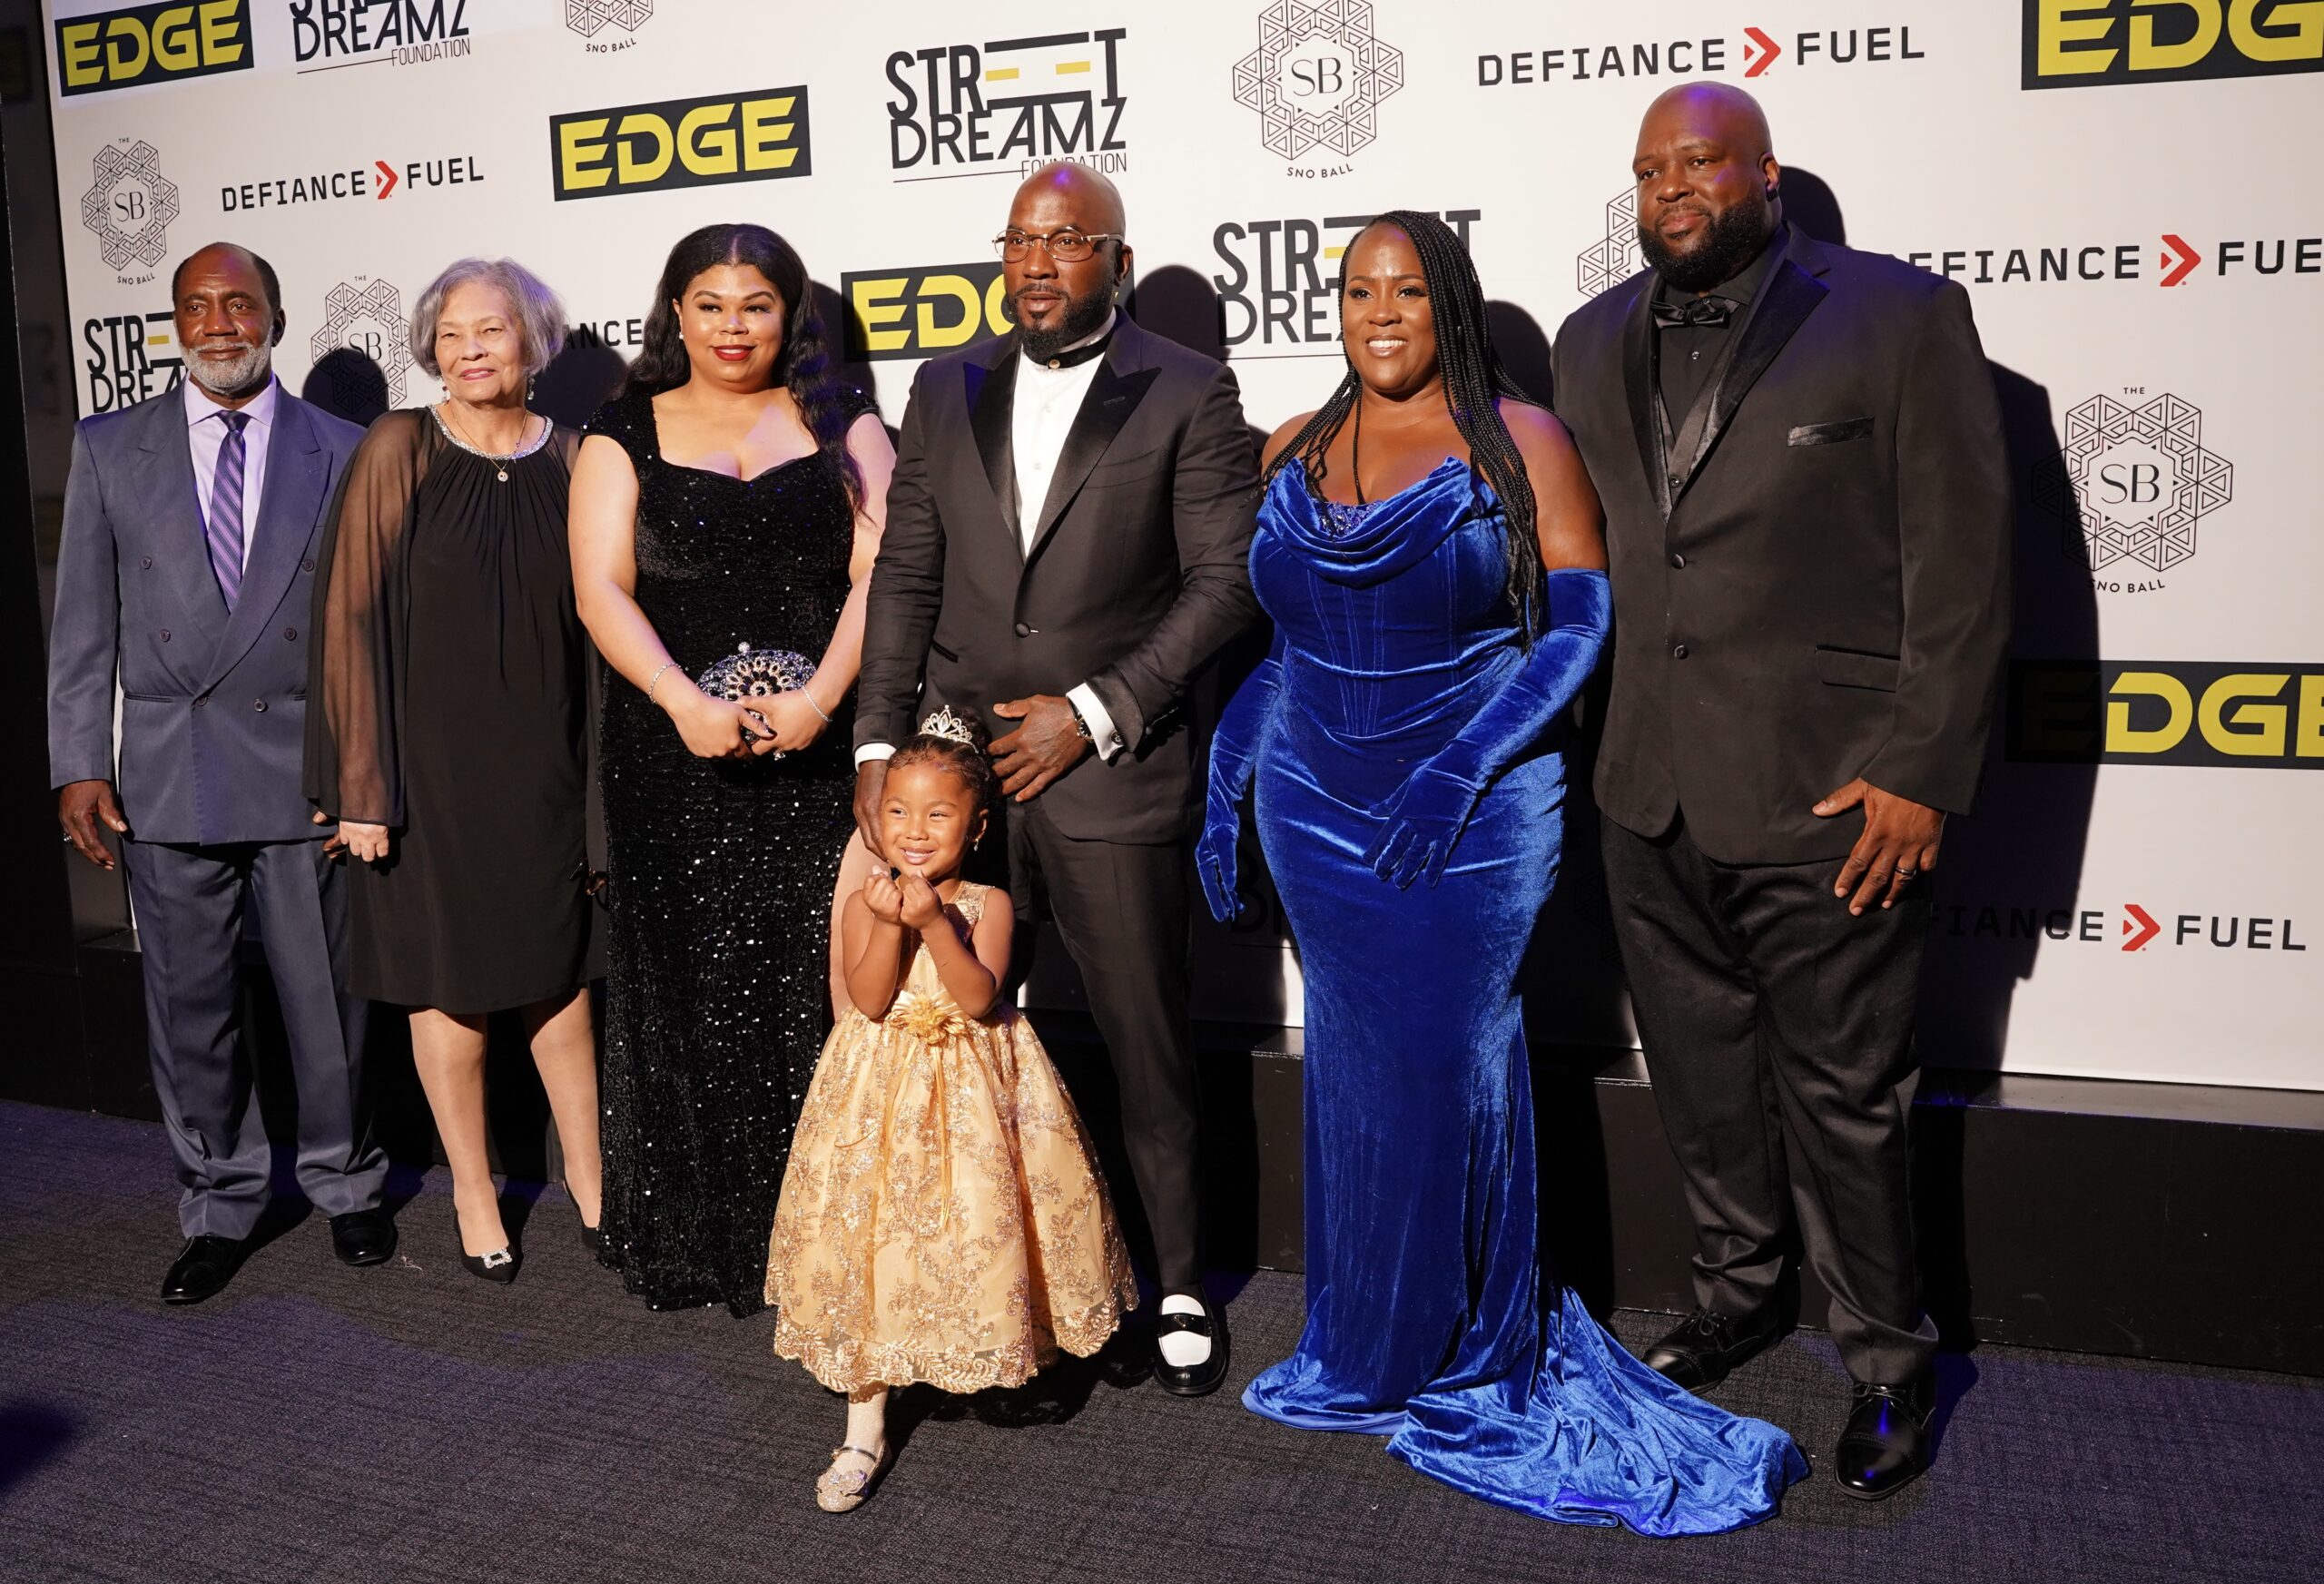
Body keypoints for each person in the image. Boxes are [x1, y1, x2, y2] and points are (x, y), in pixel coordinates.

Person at [1198, 212, 1803, 1533]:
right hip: (1316, 805)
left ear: (1451, 305)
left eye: (1409, 290)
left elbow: (1581, 617)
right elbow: (1288, 642)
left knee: (1448, 1064)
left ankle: (1473, 1347)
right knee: (1355, 1069)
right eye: (1359, 290)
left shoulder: (1520, 439)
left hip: (1473, 808)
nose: (1381, 312)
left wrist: (1459, 766)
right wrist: (1225, 773)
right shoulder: (1291, 445)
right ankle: (1369, 1346)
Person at [1547, 84, 2012, 1499]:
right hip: (1646, 785)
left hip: (1833, 795)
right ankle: (1738, 1293)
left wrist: (1920, 769)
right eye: (1648, 171)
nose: (1669, 189)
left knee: (1847, 1092)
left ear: (1764, 172)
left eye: (1698, 162)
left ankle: (1886, 1357)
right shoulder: (1588, 337)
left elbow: (1964, 560)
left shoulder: (1899, 317)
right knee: (1698, 1079)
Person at [852, 162, 1259, 1397]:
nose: (1035, 263)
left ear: (1116, 263)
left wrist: (1092, 713)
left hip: (1108, 771)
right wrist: (876, 744)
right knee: (956, 1029)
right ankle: (994, 1281)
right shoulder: (946, 384)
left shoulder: (1187, 388)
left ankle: (1177, 1280)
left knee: (1143, 1039)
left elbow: (1225, 582)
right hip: (954, 777)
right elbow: (907, 573)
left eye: (1067, 240)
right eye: (1020, 240)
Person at [47, 242, 391, 1303]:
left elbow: (372, 633)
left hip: (306, 770)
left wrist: (364, 775)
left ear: (274, 318)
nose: (218, 323)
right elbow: (82, 627)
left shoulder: (344, 447)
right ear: (175, 324)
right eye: (195, 306)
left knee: (328, 1004)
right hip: (168, 772)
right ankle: (219, 1199)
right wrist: (78, 762)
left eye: (239, 303)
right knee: (189, 1008)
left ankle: (345, 1180)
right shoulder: (110, 447)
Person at [571, 223, 894, 1315]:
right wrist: (683, 703)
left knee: (814, 980)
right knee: (691, 987)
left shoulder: (846, 425)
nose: (732, 326)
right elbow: (600, 588)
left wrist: (820, 700)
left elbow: (884, 573)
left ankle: (829, 1240)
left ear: (787, 315)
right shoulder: (620, 432)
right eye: (709, 304)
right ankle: (704, 1235)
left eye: (755, 304)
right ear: (676, 312)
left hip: (819, 761)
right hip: (673, 760)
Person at [305, 258, 601, 1283]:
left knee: (560, 981)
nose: (472, 350)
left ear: (533, 341)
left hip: (548, 764)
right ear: (431, 349)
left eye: (492, 330)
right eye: (452, 334)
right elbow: (349, 614)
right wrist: (360, 790)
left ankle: (593, 1179)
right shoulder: (401, 444)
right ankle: (475, 1190)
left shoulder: (576, 454)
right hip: (427, 777)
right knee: (449, 990)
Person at [768, 707, 1137, 1513]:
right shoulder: (865, 899)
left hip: (974, 1096)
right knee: (871, 1238)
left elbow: (975, 998)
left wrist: (933, 920)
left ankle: (961, 1343)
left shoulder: (989, 903)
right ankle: (863, 1424)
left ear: (976, 827)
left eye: (938, 814)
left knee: (969, 1226)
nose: (914, 830)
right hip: (877, 1092)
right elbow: (869, 999)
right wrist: (888, 921)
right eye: (899, 811)